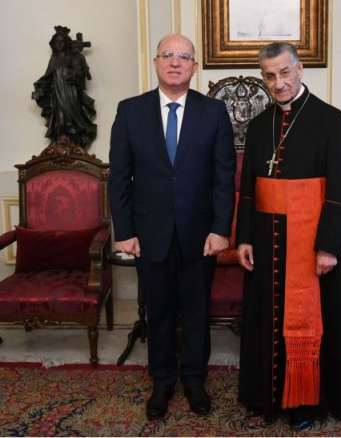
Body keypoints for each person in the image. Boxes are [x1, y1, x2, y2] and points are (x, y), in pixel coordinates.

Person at [108, 34, 236, 420]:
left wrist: (221, 229)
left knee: (197, 311)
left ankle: (195, 381)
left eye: (183, 56)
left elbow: (224, 176)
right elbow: (120, 178)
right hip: (149, 232)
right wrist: (124, 231)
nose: (175, 62)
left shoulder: (214, 112)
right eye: (168, 55)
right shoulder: (130, 111)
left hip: (201, 233)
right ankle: (162, 382)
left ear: (194, 66)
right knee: (159, 311)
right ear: (156, 62)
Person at [236, 42, 341, 430]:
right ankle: (263, 395)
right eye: (270, 76)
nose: (278, 83)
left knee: (309, 320)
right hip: (265, 238)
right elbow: (248, 188)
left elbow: (340, 191)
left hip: (310, 240)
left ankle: (306, 400)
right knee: (264, 317)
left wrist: (329, 247)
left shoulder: (332, 121)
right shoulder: (258, 125)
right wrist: (244, 237)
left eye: (285, 72)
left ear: (300, 69)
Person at [32, 26, 97, 148]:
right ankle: (60, 148)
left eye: (62, 41)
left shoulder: (74, 57)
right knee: (60, 121)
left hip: (71, 93)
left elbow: (81, 72)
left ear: (66, 43)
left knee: (73, 120)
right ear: (54, 44)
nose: (59, 44)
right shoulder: (53, 60)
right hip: (58, 95)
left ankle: (75, 147)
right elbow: (48, 78)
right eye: (57, 41)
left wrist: (74, 73)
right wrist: (39, 89)